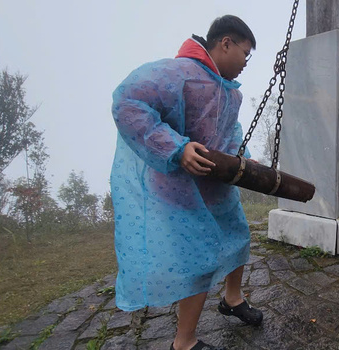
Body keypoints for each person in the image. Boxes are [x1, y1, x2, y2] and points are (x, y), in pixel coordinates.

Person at [109, 15, 262, 350]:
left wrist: (243, 157)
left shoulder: (230, 94)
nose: (246, 63)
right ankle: (184, 342)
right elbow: (127, 102)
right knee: (197, 260)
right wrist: (176, 149)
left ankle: (232, 299)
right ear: (226, 43)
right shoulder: (175, 74)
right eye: (245, 53)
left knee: (238, 238)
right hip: (179, 190)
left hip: (218, 186)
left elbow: (229, 134)